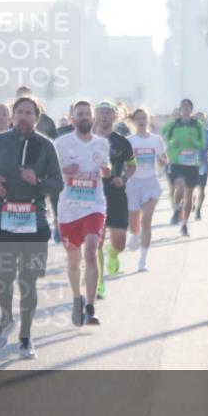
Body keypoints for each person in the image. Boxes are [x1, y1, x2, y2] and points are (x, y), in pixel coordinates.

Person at [0, 95, 64, 359]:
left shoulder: (45, 145)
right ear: (13, 115)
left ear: (37, 118)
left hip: (34, 221)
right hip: (3, 218)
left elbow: (58, 183)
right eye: (20, 112)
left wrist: (37, 181)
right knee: (3, 278)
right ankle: (6, 319)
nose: (24, 117)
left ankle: (26, 337)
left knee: (28, 280)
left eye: (29, 113)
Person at [55, 100, 110, 326]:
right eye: (80, 114)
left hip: (94, 206)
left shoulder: (102, 143)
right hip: (69, 210)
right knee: (73, 258)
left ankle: (90, 307)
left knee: (91, 251)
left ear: (93, 118)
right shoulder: (61, 144)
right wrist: (64, 170)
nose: (84, 117)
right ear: (73, 119)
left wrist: (106, 170)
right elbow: (52, 172)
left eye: (88, 113)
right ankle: (77, 297)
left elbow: (106, 167)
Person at [93, 101, 135, 298]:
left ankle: (113, 253)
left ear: (114, 116)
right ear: (96, 116)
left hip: (116, 194)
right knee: (97, 242)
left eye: (107, 113)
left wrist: (123, 178)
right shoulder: (88, 140)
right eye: (100, 113)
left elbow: (132, 166)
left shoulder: (122, 142)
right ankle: (99, 284)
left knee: (119, 242)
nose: (104, 116)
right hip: (93, 196)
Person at [15, 86, 61, 244]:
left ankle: (56, 222)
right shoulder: (12, 122)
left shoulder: (46, 121)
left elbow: (56, 142)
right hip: (20, 170)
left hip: (43, 165)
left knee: (51, 194)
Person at [126, 108, 168, 271]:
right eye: (138, 118)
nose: (141, 121)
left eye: (144, 118)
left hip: (151, 182)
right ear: (134, 122)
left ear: (148, 120)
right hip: (133, 183)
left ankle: (143, 261)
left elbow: (164, 158)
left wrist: (163, 161)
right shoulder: (129, 141)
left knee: (146, 221)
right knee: (134, 224)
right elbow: (123, 162)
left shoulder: (156, 140)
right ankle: (136, 234)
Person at [162, 98, 206, 237]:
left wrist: (192, 141)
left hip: (192, 164)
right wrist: (171, 143)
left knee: (189, 195)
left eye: (188, 106)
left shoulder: (197, 124)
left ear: (191, 109)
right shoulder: (174, 124)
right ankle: (176, 209)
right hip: (177, 162)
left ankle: (184, 224)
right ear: (180, 109)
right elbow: (163, 134)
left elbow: (202, 144)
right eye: (183, 106)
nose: (185, 108)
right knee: (179, 188)